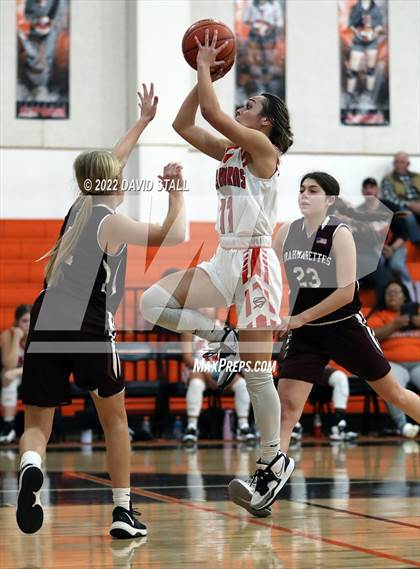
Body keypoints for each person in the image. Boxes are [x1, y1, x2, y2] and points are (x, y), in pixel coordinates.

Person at [16, 83, 186, 538]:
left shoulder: (78, 208)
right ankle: (122, 511)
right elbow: (174, 236)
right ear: (111, 181)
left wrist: (144, 122)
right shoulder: (111, 220)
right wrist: (176, 194)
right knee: (115, 420)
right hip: (88, 321)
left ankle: (31, 464)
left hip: (47, 313)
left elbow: (112, 161)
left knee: (38, 423)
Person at [140, 28, 294, 511]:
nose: (242, 106)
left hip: (255, 260)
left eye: (250, 104)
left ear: (265, 122)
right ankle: (218, 336)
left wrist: (208, 66)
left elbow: (211, 112)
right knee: (152, 302)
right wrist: (202, 72)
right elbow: (186, 124)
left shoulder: (265, 152)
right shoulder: (230, 151)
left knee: (255, 374)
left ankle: (272, 462)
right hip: (225, 256)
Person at [229, 171, 420, 516]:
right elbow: (266, 274)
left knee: (395, 394)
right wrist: (268, 312)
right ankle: (265, 481)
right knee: (286, 409)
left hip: (343, 326)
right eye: (301, 189)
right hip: (306, 335)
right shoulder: (285, 232)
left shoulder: (340, 233)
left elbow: (345, 293)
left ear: (330, 200)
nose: (304, 195)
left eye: (313, 190)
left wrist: (298, 318)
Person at [181, 309, 255, 445]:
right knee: (196, 383)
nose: (205, 308)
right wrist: (205, 372)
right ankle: (191, 428)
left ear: (216, 309)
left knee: (242, 385)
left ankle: (243, 427)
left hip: (221, 369)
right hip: (198, 369)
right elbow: (187, 358)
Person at [367, 281, 420, 438]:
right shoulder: (379, 315)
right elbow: (371, 337)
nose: (392, 296)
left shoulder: (417, 312)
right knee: (390, 386)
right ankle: (403, 426)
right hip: (394, 363)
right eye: (389, 292)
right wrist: (394, 324)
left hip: (418, 363)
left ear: (405, 296)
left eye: (396, 292)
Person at [355, 177, 413, 299]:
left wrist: (392, 249)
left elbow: (404, 233)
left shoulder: (391, 207)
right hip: (371, 250)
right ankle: (381, 300)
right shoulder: (359, 212)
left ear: (378, 190)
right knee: (374, 264)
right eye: (366, 188)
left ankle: (412, 296)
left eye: (372, 187)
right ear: (362, 191)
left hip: (395, 247)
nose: (369, 190)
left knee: (397, 265)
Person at [290, 365, 358, 444]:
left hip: (318, 367)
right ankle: (293, 426)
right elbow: (281, 358)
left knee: (340, 378)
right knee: (292, 376)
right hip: (294, 368)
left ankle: (338, 425)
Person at [0, 305, 31, 444]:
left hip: (32, 374)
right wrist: (16, 339)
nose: (28, 325)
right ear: (17, 322)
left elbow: (37, 366)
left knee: (10, 375)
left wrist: (16, 372)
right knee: (7, 378)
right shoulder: (8, 335)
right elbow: (9, 364)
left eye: (31, 320)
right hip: (13, 375)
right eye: (24, 321)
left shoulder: (37, 335)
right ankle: (8, 426)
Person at [346, 0, 384, 109]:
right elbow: (351, 25)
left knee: (371, 69)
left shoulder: (375, 8)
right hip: (358, 41)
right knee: (352, 70)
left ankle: (369, 95)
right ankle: (350, 95)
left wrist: (375, 32)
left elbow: (379, 25)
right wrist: (357, 33)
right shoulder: (355, 7)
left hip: (372, 42)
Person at [380, 152, 420, 245]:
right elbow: (389, 198)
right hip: (401, 207)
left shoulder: (417, 177)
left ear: (408, 164)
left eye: (401, 162)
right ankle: (417, 241)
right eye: (396, 162)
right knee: (408, 215)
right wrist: (409, 204)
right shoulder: (388, 179)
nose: (398, 165)